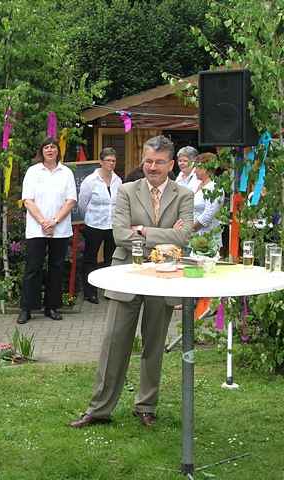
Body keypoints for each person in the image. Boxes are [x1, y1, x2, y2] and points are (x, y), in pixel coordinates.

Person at [69, 135, 193, 428]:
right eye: (148, 160)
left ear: (171, 164)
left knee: (154, 345)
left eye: (159, 162)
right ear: (143, 160)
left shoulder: (184, 195)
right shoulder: (125, 190)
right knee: (115, 343)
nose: (152, 167)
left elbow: (184, 236)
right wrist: (164, 234)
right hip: (127, 275)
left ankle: (146, 406)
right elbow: (120, 235)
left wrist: (143, 231)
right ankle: (99, 409)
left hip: (164, 279)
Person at [17, 136, 77, 324]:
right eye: (46, 148)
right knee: (33, 268)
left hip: (60, 229)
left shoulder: (66, 172)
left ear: (58, 150)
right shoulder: (33, 172)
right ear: (41, 151)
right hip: (37, 229)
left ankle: (52, 307)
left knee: (56, 268)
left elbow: (71, 200)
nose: (50, 150)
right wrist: (44, 222)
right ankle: (27, 308)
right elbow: (28, 200)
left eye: (53, 147)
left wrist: (54, 222)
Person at [78, 147, 122, 305]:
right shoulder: (90, 180)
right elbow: (83, 203)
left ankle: (109, 290)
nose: (111, 163)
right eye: (108, 160)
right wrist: (89, 216)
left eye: (114, 161)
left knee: (111, 258)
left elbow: (119, 203)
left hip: (112, 225)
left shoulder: (118, 180)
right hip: (94, 224)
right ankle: (90, 293)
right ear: (101, 162)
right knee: (90, 258)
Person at [193, 152, 224, 251]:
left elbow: (208, 215)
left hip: (208, 239)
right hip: (193, 238)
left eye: (197, 167)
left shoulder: (215, 187)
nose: (194, 171)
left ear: (205, 169)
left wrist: (190, 230)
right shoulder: (197, 185)